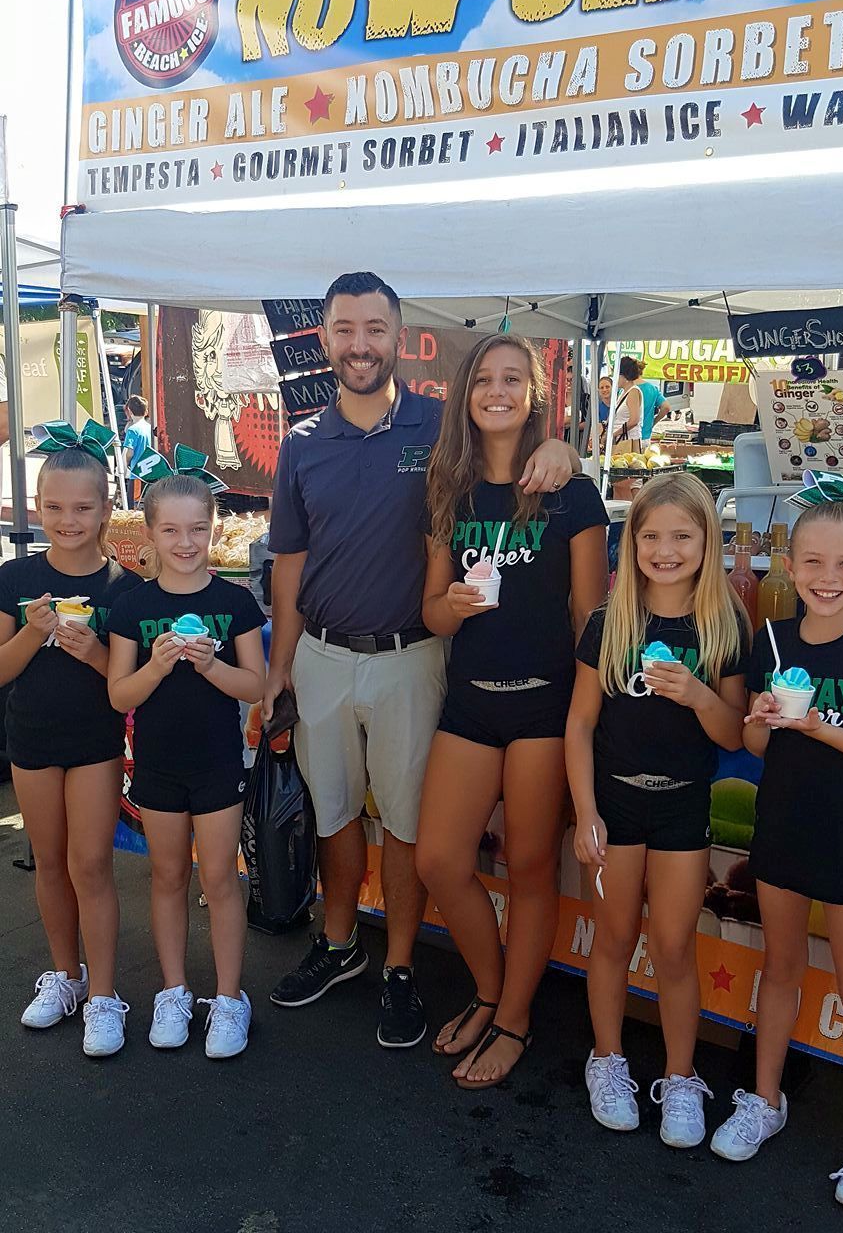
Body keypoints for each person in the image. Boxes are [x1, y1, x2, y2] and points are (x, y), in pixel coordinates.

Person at [265, 271, 578, 1049]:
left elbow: (519, 442)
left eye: (376, 328)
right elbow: (288, 568)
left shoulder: (443, 430)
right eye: (346, 329)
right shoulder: (301, 445)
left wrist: (565, 449)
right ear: (325, 338)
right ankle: (339, 946)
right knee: (334, 812)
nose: (360, 344)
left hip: (417, 659)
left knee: (408, 827)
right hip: (325, 656)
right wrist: (277, 672)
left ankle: (400, 967)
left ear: (399, 338)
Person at [415, 334, 608, 1087]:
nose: (497, 391)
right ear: (465, 394)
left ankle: (515, 1022)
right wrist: (454, 606)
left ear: (535, 394)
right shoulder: (450, 489)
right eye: (484, 380)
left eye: (514, 379)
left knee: (531, 869)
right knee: (439, 859)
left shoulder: (571, 492)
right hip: (469, 702)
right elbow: (430, 614)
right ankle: (493, 990)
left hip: (543, 708)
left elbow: (590, 618)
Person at [712, 496, 843, 1210]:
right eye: (815, 562)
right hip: (784, 831)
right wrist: (761, 718)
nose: (829, 577)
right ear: (790, 566)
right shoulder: (772, 640)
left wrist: (826, 731)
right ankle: (763, 1098)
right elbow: (758, 745)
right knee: (781, 971)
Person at [566, 472, 748, 1147]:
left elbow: (733, 734)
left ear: (706, 540)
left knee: (674, 948)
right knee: (612, 940)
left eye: (682, 536)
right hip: (614, 805)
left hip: (682, 810)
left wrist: (699, 696)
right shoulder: (608, 622)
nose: (666, 550)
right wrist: (586, 810)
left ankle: (679, 1076)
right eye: (651, 536)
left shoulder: (724, 621)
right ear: (629, 542)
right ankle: (608, 1061)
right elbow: (580, 724)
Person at [107, 464, 266, 1058]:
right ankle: (174, 991)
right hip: (157, 767)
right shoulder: (132, 606)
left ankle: (229, 998)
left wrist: (207, 665)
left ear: (213, 528)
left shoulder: (233, 601)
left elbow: (254, 685)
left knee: (221, 878)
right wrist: (156, 663)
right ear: (150, 534)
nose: (185, 543)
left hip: (219, 765)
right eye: (170, 531)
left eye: (197, 529)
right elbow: (119, 694)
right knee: (169, 876)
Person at [0, 429, 142, 1055]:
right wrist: (35, 633)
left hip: (95, 742)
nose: (68, 520)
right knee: (51, 862)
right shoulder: (15, 577)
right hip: (30, 737)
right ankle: (66, 978)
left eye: (83, 508)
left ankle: (105, 996)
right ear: (37, 506)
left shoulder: (125, 588)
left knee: (91, 864)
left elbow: (132, 682)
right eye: (54, 507)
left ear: (106, 510)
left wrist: (92, 651)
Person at [613, 356, 670, 446]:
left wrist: (614, 433)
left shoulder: (630, 391)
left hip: (630, 439)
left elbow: (633, 420)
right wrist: (653, 422)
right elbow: (666, 407)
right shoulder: (652, 389)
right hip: (644, 434)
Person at [122, 395, 152, 509]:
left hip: (137, 475)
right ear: (146, 411)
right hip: (150, 473)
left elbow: (129, 453)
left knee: (134, 509)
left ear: (129, 410)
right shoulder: (149, 427)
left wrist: (125, 466)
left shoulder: (133, 430)